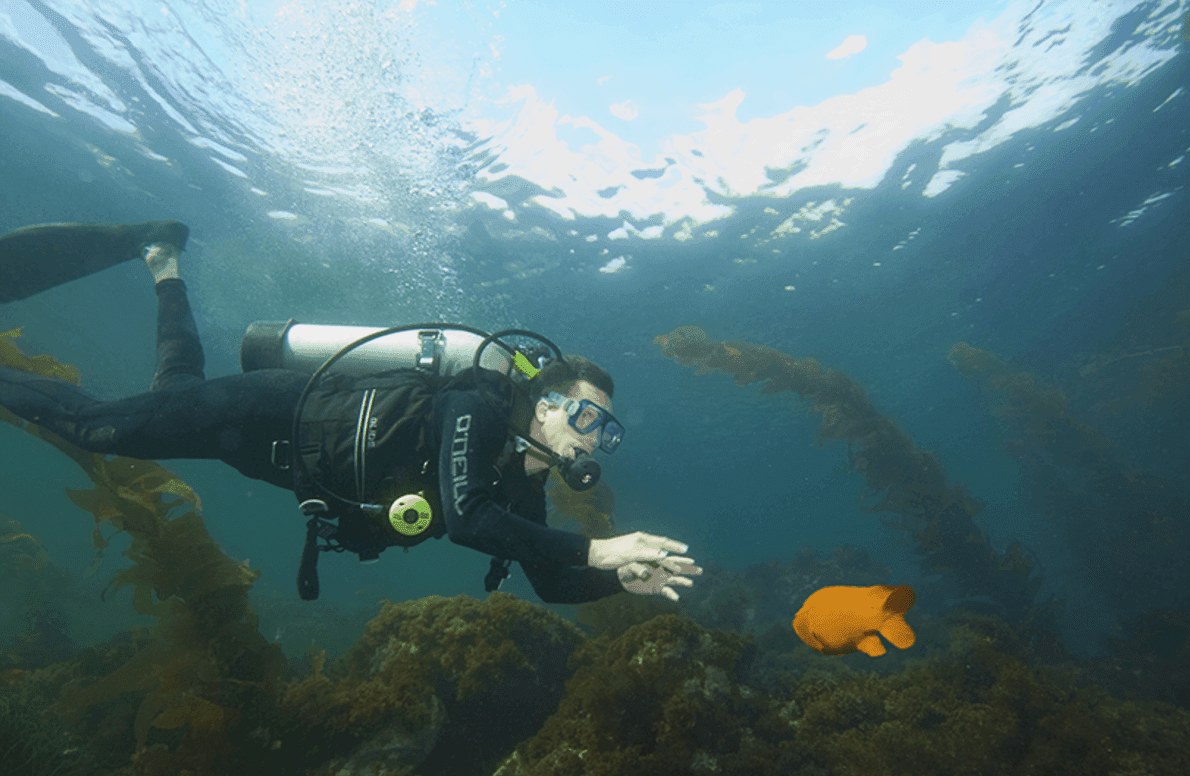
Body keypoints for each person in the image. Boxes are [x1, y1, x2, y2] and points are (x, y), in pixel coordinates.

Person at [0, 221, 701, 604]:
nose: (595, 440)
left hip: (283, 463)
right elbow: (467, 522)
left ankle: (163, 260)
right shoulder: (476, 408)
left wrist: (618, 580)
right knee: (98, 429)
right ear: (544, 405)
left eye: (606, 431)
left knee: (169, 394)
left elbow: (551, 584)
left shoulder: (524, 483)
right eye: (586, 419)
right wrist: (599, 546)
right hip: (275, 410)